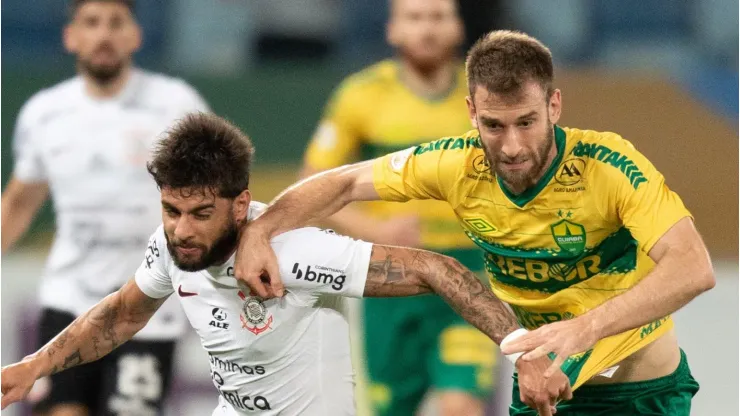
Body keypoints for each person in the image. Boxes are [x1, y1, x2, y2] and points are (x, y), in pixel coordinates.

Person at [232, 30, 716, 416]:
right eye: (493, 125)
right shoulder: (456, 164)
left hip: (638, 395)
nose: (511, 147)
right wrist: (259, 229)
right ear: (471, 113)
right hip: (543, 389)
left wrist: (584, 330)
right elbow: (340, 183)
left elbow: (693, 267)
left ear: (554, 106)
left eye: (526, 122)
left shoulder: (607, 166)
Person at [0, 112, 571, 416]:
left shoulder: (295, 251)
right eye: (171, 210)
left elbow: (433, 269)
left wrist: (522, 347)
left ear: (241, 204)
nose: (182, 229)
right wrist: (35, 366)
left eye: (201, 212)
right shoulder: (170, 247)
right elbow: (121, 316)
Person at [0, 1, 210, 414]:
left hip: (147, 304)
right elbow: (20, 203)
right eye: (91, 23)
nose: (104, 35)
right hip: (68, 299)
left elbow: (216, 194)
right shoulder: (44, 113)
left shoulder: (177, 104)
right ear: (71, 36)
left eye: (116, 23)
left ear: (135, 36)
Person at [301, 0, 497, 414]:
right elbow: (310, 187)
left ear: (457, 27)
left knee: (462, 405)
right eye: (415, 17)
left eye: (438, 16)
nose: (427, 28)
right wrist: (377, 232)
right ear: (393, 30)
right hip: (390, 275)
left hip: (468, 275)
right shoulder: (360, 96)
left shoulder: (488, 95)